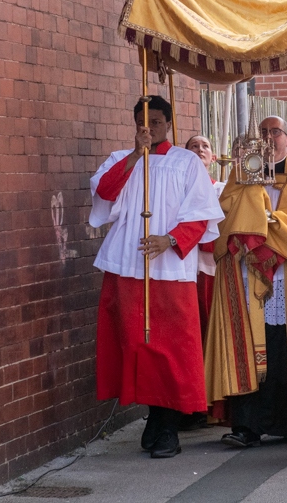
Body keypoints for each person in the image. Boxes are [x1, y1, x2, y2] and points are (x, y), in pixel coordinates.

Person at [89, 96, 224, 458]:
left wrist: (171, 239)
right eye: (142, 122)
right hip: (128, 263)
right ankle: (155, 417)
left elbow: (201, 213)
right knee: (136, 344)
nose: (149, 128)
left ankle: (168, 425)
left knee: (172, 347)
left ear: (169, 124)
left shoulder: (186, 162)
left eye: (157, 122)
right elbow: (105, 192)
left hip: (170, 268)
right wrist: (136, 155)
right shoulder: (121, 159)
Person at [204, 116, 287, 448]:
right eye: (263, 132)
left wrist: (270, 222)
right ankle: (248, 426)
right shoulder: (242, 172)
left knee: (286, 345)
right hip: (249, 270)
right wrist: (250, 210)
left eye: (276, 132)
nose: (270, 138)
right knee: (249, 345)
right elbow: (226, 212)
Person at [180, 134, 225, 432]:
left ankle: (210, 402)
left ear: (213, 157)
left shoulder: (220, 189)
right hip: (183, 269)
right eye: (193, 147)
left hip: (210, 270)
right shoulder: (178, 187)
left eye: (204, 146)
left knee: (209, 334)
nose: (199, 150)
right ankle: (187, 403)